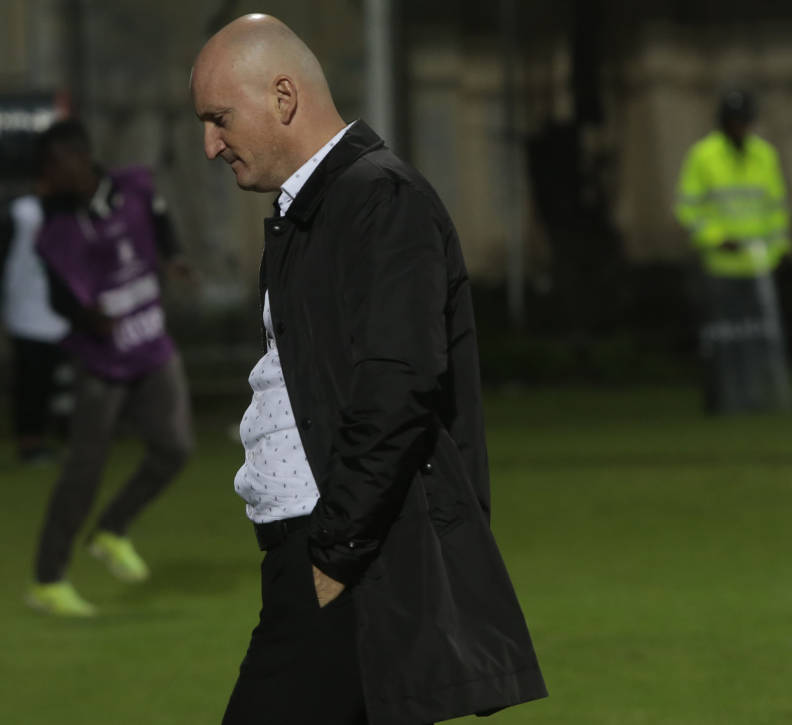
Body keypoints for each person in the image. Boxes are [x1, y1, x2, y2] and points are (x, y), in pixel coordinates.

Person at [190, 14, 546, 725]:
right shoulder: (312, 213)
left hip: (351, 566)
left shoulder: (380, 199)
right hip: (324, 560)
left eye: (219, 118)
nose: (209, 145)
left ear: (284, 98)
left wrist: (333, 556)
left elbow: (397, 388)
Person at [25, 119, 194, 617]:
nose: (46, 181)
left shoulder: (135, 186)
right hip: (101, 362)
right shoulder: (57, 229)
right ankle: (47, 579)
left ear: (78, 159)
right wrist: (86, 317)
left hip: (152, 346)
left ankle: (112, 529)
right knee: (84, 470)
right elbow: (59, 297)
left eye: (51, 169)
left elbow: (160, 222)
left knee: (175, 450)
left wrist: (175, 257)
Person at [675, 90, 792, 413]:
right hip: (720, 266)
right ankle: (724, 399)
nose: (740, 127)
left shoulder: (764, 155)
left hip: (758, 267)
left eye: (744, 121)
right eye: (734, 121)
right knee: (722, 339)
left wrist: (777, 251)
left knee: (756, 338)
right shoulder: (704, 155)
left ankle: (757, 397)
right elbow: (688, 209)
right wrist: (716, 238)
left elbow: (776, 207)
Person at [0, 188, 72, 464]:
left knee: (65, 380)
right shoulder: (23, 213)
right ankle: (30, 443)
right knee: (32, 381)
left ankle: (68, 437)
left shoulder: (77, 210)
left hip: (67, 309)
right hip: (27, 310)